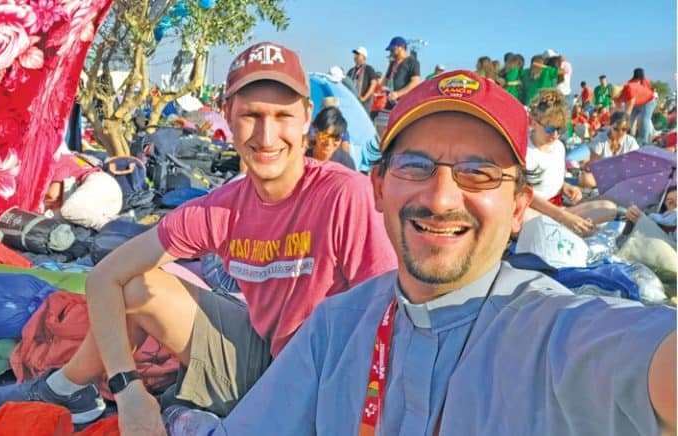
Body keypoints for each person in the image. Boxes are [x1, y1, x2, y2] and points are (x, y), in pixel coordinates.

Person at [206, 69, 676, 436]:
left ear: (517, 208)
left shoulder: (552, 332)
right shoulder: (336, 328)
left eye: (479, 172)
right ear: (378, 187)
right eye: (415, 166)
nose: (441, 198)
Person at [0, 41, 396, 434]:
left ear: (307, 117)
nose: (267, 136)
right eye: (251, 115)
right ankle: (66, 389)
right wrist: (129, 392)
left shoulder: (345, 196)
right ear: (227, 115)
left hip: (324, 378)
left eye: (282, 116)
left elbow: (388, 320)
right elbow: (103, 278)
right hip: (262, 353)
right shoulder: (221, 207)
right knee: (138, 284)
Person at [522, 89, 617, 236]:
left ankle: (557, 230)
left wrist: (566, 187)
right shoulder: (523, 149)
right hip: (533, 210)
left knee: (609, 208)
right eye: (549, 129)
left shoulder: (559, 147)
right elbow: (525, 194)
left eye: (560, 129)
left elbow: (551, 181)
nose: (555, 135)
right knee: (523, 217)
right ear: (533, 123)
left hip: (558, 209)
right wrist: (564, 217)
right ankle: (564, 228)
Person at [44, 149, 122, 230]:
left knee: (68, 211)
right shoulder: (70, 157)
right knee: (65, 217)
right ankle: (118, 226)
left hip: (99, 184)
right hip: (108, 193)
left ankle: (113, 229)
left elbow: (53, 195)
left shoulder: (59, 161)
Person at [578, 111, 640, 189]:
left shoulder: (631, 142)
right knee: (585, 178)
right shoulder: (600, 139)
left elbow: (635, 164)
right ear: (609, 126)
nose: (620, 132)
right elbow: (591, 164)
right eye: (616, 129)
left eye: (624, 129)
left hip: (622, 176)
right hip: (603, 177)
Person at [616, 68, 657, 144]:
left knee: (644, 120)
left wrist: (625, 118)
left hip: (648, 101)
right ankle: (627, 137)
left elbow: (630, 106)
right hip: (637, 102)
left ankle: (643, 141)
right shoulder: (623, 90)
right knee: (630, 119)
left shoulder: (632, 87)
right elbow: (619, 108)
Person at [380, 36, 420, 109]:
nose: (391, 52)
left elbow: (415, 82)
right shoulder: (392, 63)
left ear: (401, 47)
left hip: (404, 104)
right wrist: (383, 88)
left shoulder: (412, 62)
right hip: (389, 102)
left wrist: (398, 94)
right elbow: (386, 79)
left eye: (392, 50)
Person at [346, 46, 380, 114]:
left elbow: (373, 84)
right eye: (355, 54)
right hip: (352, 102)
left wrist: (364, 98)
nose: (355, 56)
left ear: (364, 56)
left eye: (358, 54)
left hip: (364, 104)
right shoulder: (351, 71)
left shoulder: (368, 69)